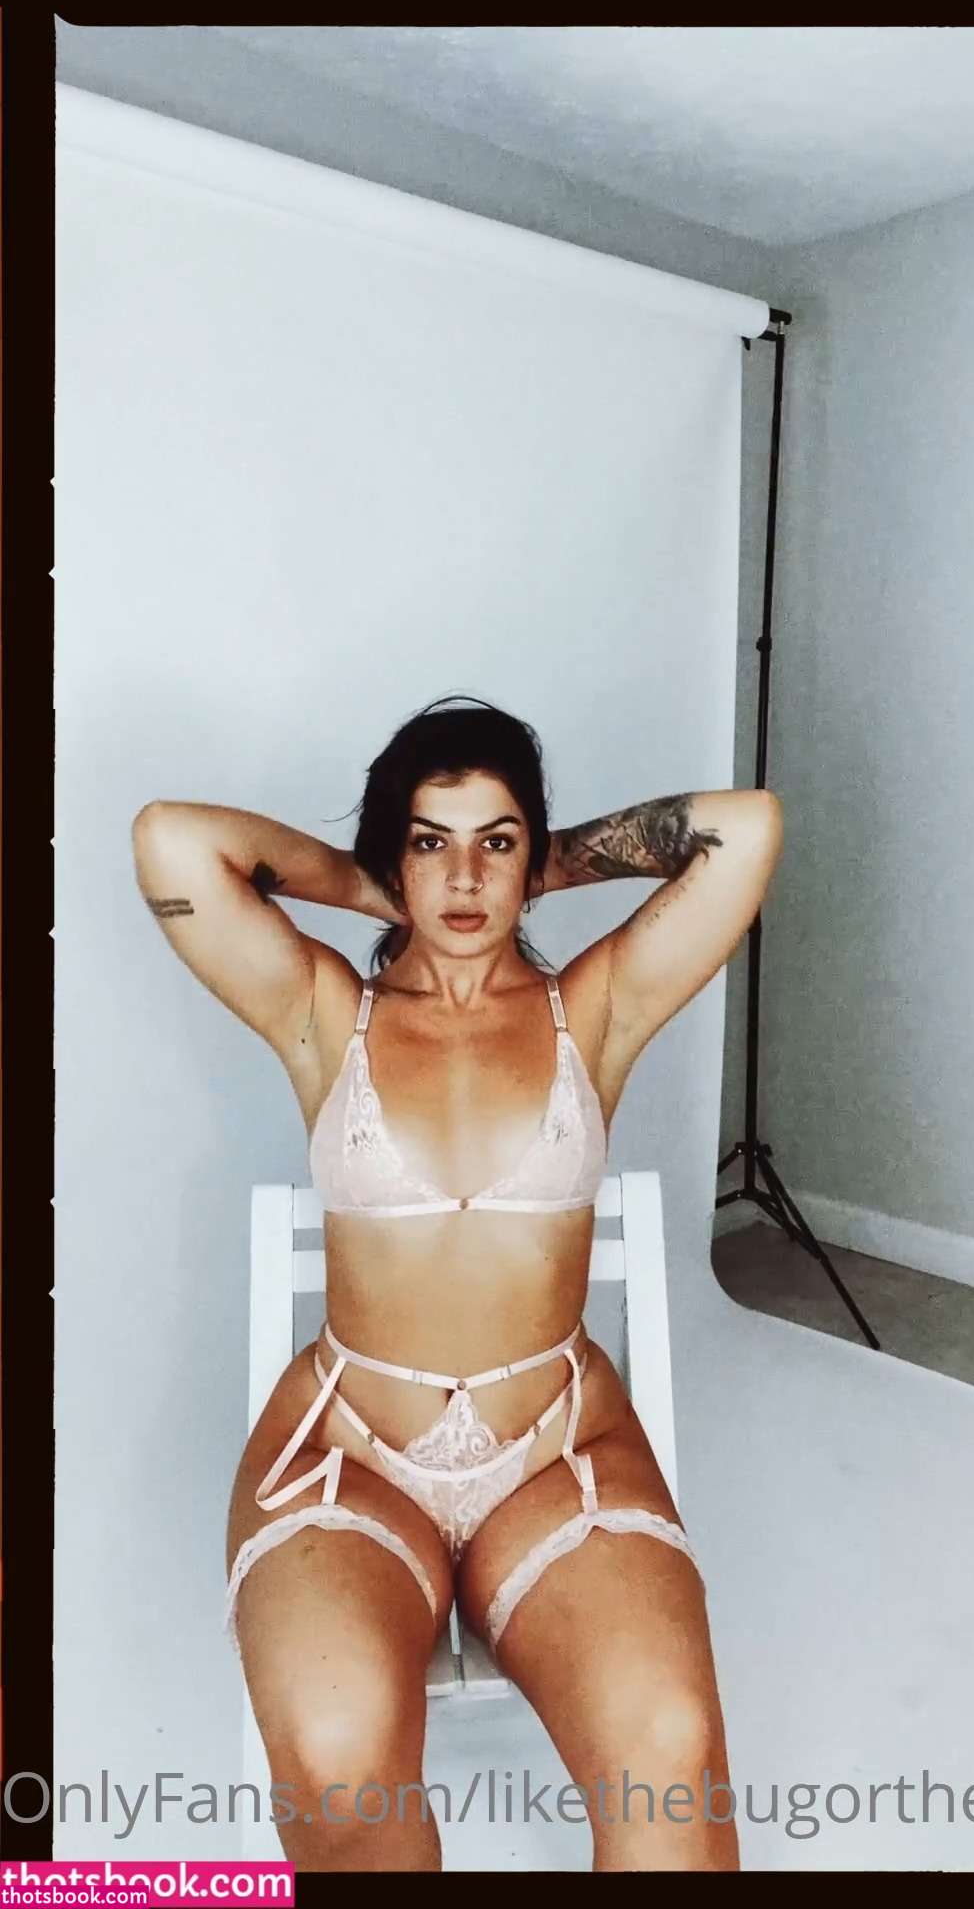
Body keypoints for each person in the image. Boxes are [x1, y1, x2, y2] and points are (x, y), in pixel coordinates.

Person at [131, 695, 782, 1873]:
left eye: (496, 841)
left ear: (529, 855)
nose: (466, 877)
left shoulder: (594, 1011)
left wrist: (543, 867)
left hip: (555, 1454)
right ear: (398, 856)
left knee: (670, 1754)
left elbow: (745, 829)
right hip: (350, 1457)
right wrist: (375, 881)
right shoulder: (327, 1014)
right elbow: (171, 841)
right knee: (335, 1761)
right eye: (432, 841)